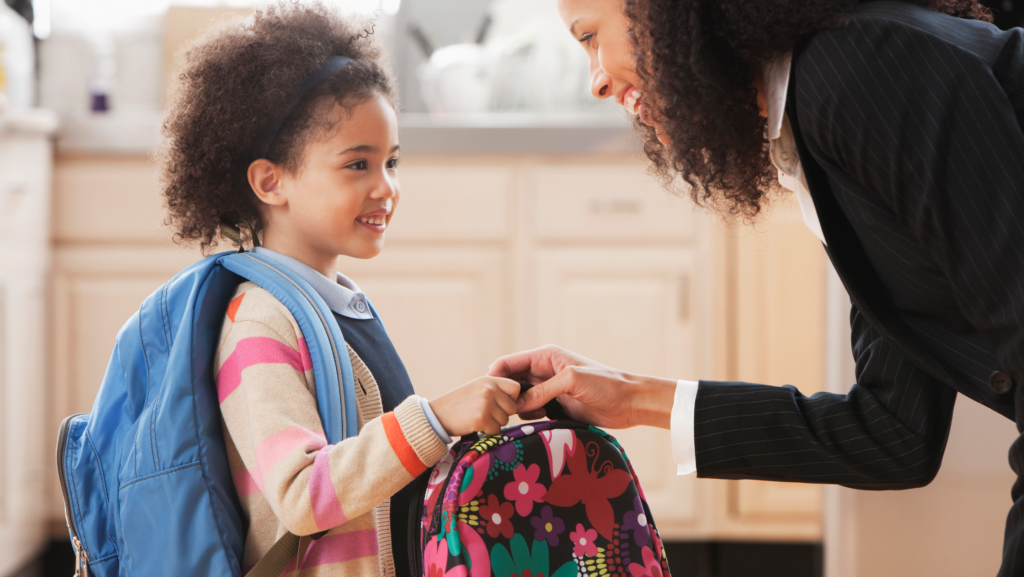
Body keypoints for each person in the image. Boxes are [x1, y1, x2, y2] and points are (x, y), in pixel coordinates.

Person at [490, 0, 1024, 573]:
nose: (595, 80)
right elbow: (895, 432)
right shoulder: (819, 111)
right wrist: (632, 396)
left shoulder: (857, 72)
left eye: (592, 36)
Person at [157, 4, 521, 575]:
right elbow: (303, 496)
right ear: (270, 181)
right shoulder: (260, 322)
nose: (387, 187)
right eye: (357, 165)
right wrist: (437, 418)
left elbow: (383, 471)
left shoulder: (336, 304)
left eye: (392, 161)